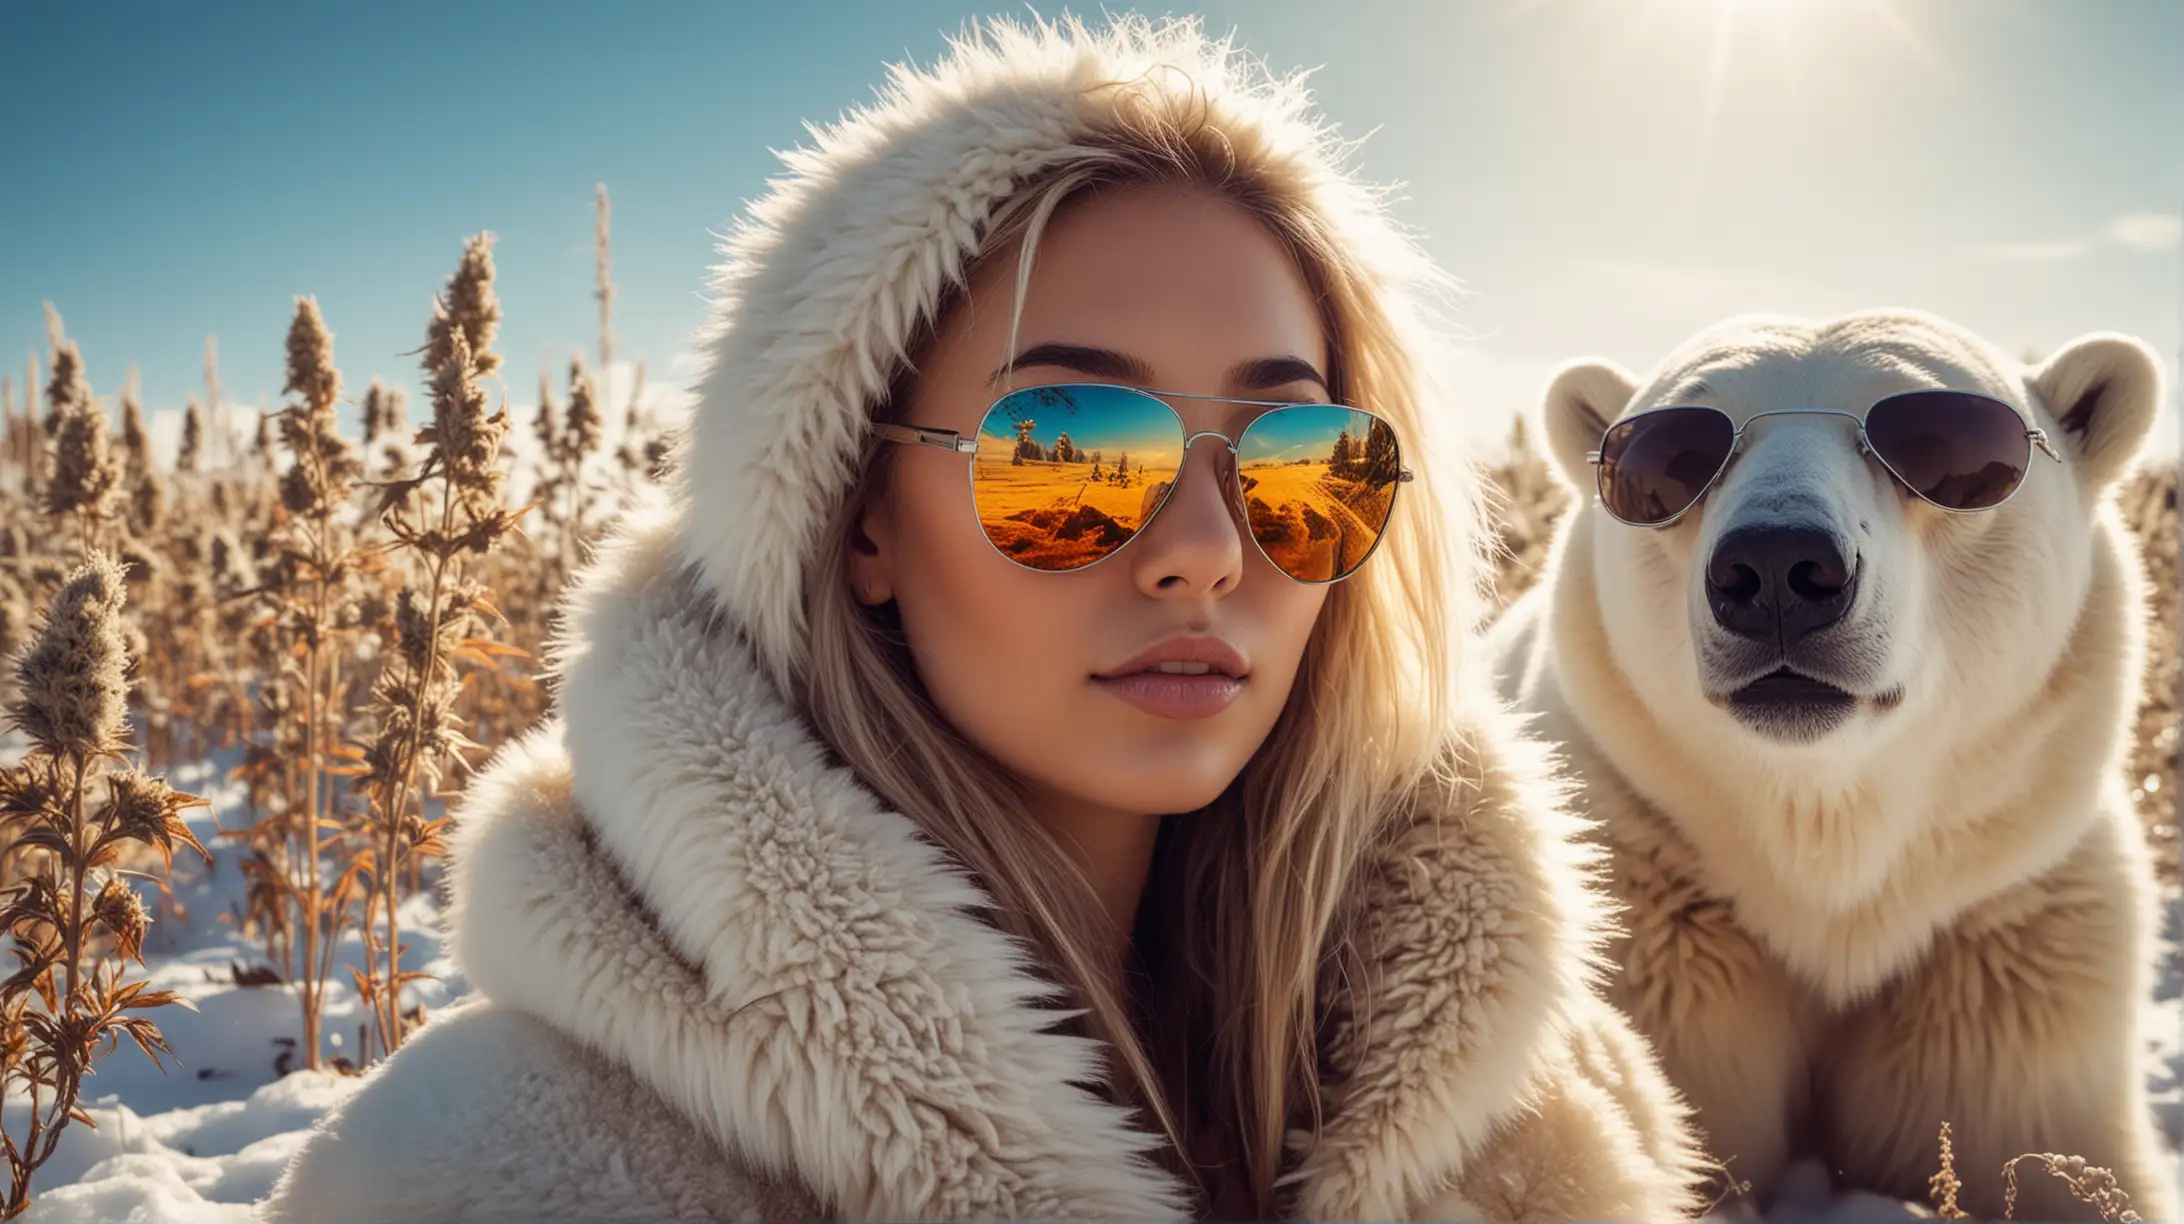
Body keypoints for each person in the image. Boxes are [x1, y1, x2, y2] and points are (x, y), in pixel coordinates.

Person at [256, 14, 1705, 1222]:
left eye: (1298, 464)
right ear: (859, 517)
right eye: (1067, 454)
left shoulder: (1536, 1097)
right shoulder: (499, 1165)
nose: (1203, 552)